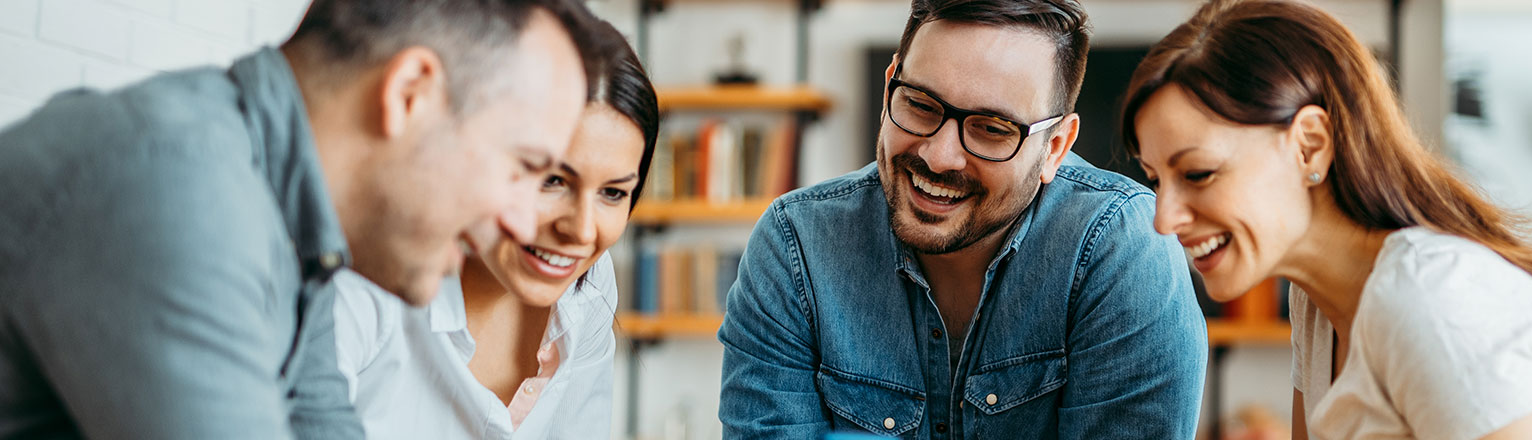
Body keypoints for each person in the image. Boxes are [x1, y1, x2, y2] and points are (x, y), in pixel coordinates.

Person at [0, 0, 613, 438]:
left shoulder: (291, 226)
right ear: (409, 95)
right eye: (524, 166)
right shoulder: (175, 191)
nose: (518, 218)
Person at [1121, 0, 1532, 439]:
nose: (1164, 220)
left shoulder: (1429, 297)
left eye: (1198, 173)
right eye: (1155, 180)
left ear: (1310, 145)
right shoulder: (1319, 304)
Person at [717, 0, 1208, 438]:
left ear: (1054, 147)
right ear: (891, 86)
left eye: (992, 129)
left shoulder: (1121, 245)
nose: (938, 154)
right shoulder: (795, 244)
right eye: (920, 104)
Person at [331, 17, 658, 439]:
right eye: (552, 180)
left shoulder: (587, 284)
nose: (581, 230)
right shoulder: (365, 278)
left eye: (612, 193)